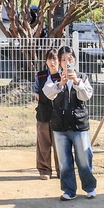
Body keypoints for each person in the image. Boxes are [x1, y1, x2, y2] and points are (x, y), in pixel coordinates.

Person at [43, 46, 97, 201]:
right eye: (64, 59)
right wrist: (60, 84)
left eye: (70, 59)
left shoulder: (82, 77)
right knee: (64, 161)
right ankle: (69, 190)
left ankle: (89, 187)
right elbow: (48, 93)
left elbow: (86, 96)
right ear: (60, 62)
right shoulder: (53, 78)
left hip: (79, 124)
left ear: (74, 59)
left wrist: (76, 81)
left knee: (84, 158)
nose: (67, 62)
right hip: (60, 126)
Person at [33, 48, 60, 180]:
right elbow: (37, 94)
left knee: (60, 143)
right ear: (46, 61)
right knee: (43, 143)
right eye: (49, 59)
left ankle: (62, 170)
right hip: (43, 113)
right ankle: (44, 170)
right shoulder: (41, 75)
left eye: (54, 59)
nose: (52, 62)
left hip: (60, 115)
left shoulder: (64, 75)